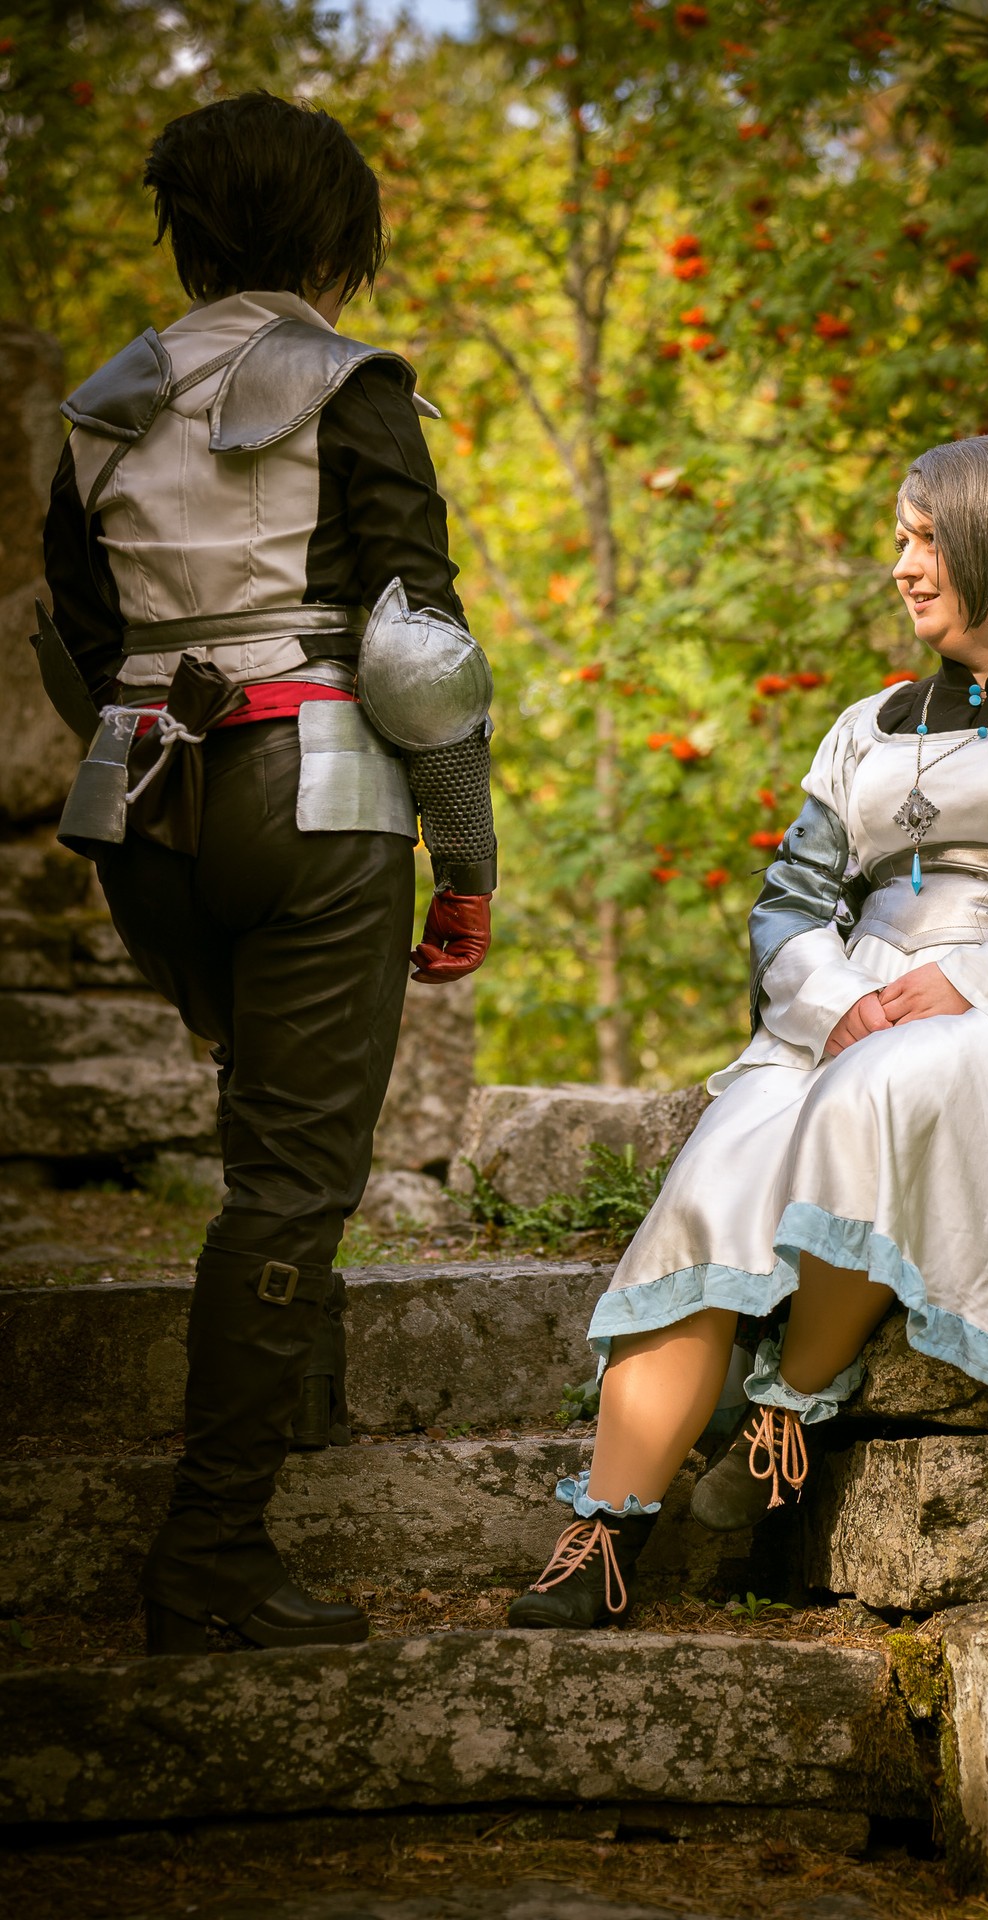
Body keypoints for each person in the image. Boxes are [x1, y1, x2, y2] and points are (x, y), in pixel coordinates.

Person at [507, 433, 988, 1630]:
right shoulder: (865, 724)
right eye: (898, 539)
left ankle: (784, 1410)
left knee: (876, 1090)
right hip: (857, 1004)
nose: (899, 565)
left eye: (923, 540)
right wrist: (828, 997)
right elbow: (792, 898)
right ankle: (604, 1529)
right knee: (720, 1165)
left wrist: (977, 982)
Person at [37, 93, 497, 1655]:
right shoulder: (352, 387)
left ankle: (288, 1397)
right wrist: (466, 856)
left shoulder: (104, 408)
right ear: (329, 236)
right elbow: (419, 649)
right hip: (317, 799)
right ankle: (214, 1549)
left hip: (141, 806)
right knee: (292, 1182)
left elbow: (77, 641)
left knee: (265, 1133)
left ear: (184, 231)